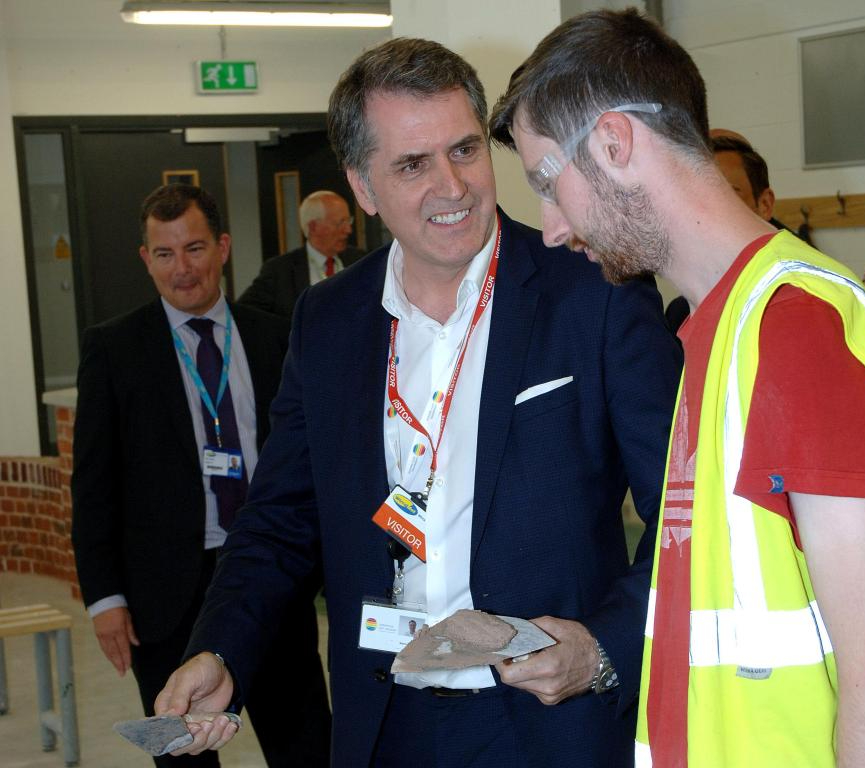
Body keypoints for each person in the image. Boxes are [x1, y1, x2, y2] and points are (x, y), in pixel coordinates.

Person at [153, 38, 680, 768]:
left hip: (548, 723)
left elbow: (684, 514)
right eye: (412, 164)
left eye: (464, 150)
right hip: (383, 722)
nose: (452, 185)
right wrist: (222, 647)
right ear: (362, 187)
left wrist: (604, 647)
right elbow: (279, 519)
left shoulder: (590, 292)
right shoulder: (329, 321)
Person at [489, 8, 865, 767]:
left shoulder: (792, 328)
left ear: (616, 144)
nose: (548, 226)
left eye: (548, 184)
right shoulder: (716, 332)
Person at [70, 184, 332, 767]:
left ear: (223, 246)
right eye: (163, 254)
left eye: (193, 249)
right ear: (145, 258)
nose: (181, 269)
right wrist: (104, 598)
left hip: (269, 581)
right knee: (183, 757)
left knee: (308, 745)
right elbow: (93, 486)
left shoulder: (276, 336)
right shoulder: (114, 350)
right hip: (162, 596)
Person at [665, 132, 784, 333]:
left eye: (726, 197)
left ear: (764, 204)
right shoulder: (680, 313)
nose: (705, 215)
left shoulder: (798, 298)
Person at [238, 190, 363, 318]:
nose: (348, 230)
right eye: (340, 223)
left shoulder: (361, 261)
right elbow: (244, 313)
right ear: (314, 227)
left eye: (349, 221)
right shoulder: (279, 271)